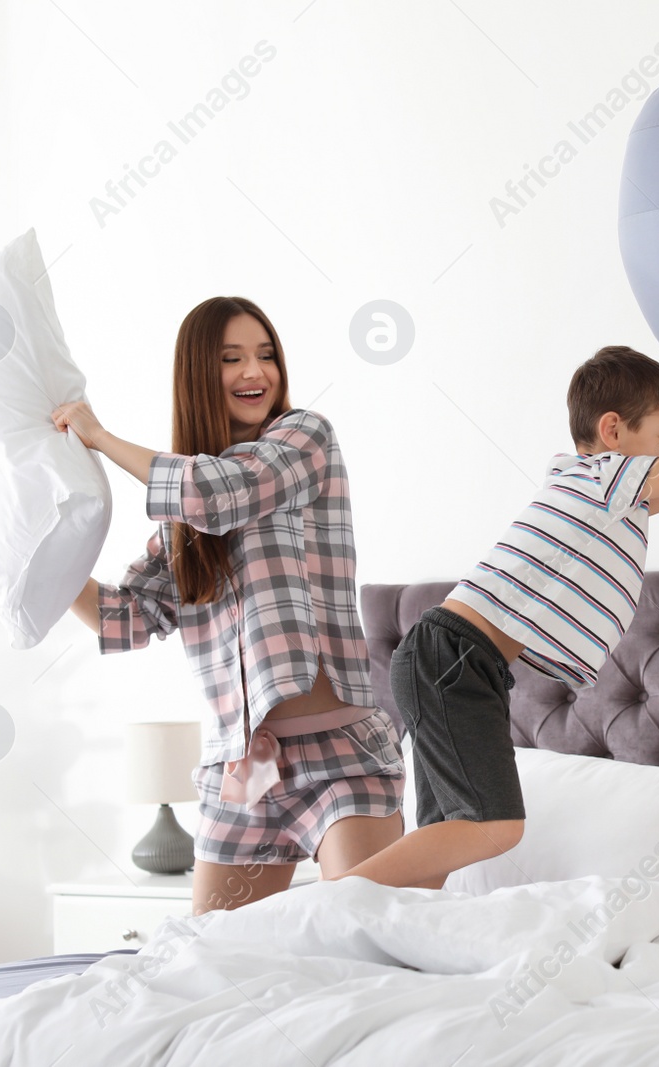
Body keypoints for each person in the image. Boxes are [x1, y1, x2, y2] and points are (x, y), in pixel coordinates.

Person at [335, 344, 659, 890]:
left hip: (449, 659)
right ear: (613, 431)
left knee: (445, 841)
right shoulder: (611, 481)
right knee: (491, 827)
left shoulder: (597, 484)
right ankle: (333, 902)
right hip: (456, 661)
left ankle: (376, 927)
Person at [55, 296, 405, 915]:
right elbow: (127, 618)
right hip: (241, 769)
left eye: (266, 356)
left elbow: (217, 492)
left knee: (365, 939)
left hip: (342, 756)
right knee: (206, 964)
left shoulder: (303, 440)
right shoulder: (180, 524)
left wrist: (101, 439)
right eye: (232, 358)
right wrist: (43, 564)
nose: (255, 373)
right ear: (198, 375)